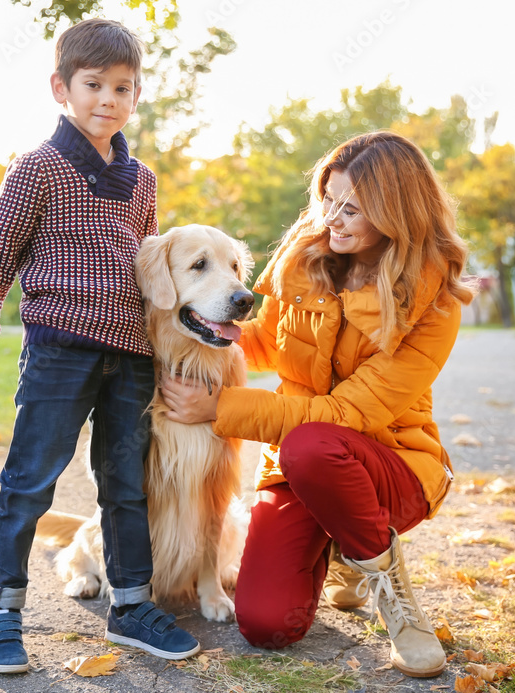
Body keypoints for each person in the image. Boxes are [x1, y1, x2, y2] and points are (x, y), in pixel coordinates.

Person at [160, 131, 474, 678]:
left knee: (310, 445)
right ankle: (345, 550)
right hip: (303, 472)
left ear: (395, 210)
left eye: (352, 208)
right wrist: (198, 332)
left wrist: (219, 407)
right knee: (264, 623)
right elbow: (266, 340)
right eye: (328, 199)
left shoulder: (436, 301)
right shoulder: (309, 257)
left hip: (390, 470)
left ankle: (392, 595)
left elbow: (352, 415)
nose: (332, 217)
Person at [0, 18, 200, 674]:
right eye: (93, 85)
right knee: (30, 480)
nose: (107, 99)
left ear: (137, 94)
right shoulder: (38, 167)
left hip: (131, 354)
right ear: (62, 88)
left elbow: (151, 262)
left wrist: (171, 343)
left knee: (127, 483)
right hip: (60, 349)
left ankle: (131, 604)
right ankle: (2, 610)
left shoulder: (141, 180)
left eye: (122, 87)